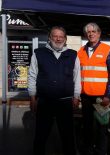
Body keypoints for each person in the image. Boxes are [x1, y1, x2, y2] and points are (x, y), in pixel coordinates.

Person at [28, 26, 81, 155]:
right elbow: (32, 76)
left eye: (61, 36)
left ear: (65, 38)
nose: (58, 39)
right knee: (41, 135)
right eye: (55, 36)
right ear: (49, 37)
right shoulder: (38, 54)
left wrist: (76, 97)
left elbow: (77, 77)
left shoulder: (73, 55)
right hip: (45, 102)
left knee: (68, 136)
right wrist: (32, 98)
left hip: (65, 102)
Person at [77, 22, 110, 155]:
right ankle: (87, 150)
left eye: (94, 31)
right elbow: (76, 75)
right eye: (89, 32)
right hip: (86, 97)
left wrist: (108, 96)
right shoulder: (80, 51)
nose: (91, 34)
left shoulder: (108, 49)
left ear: (99, 33)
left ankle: (101, 152)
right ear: (85, 34)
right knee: (87, 126)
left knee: (102, 127)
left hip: (101, 98)